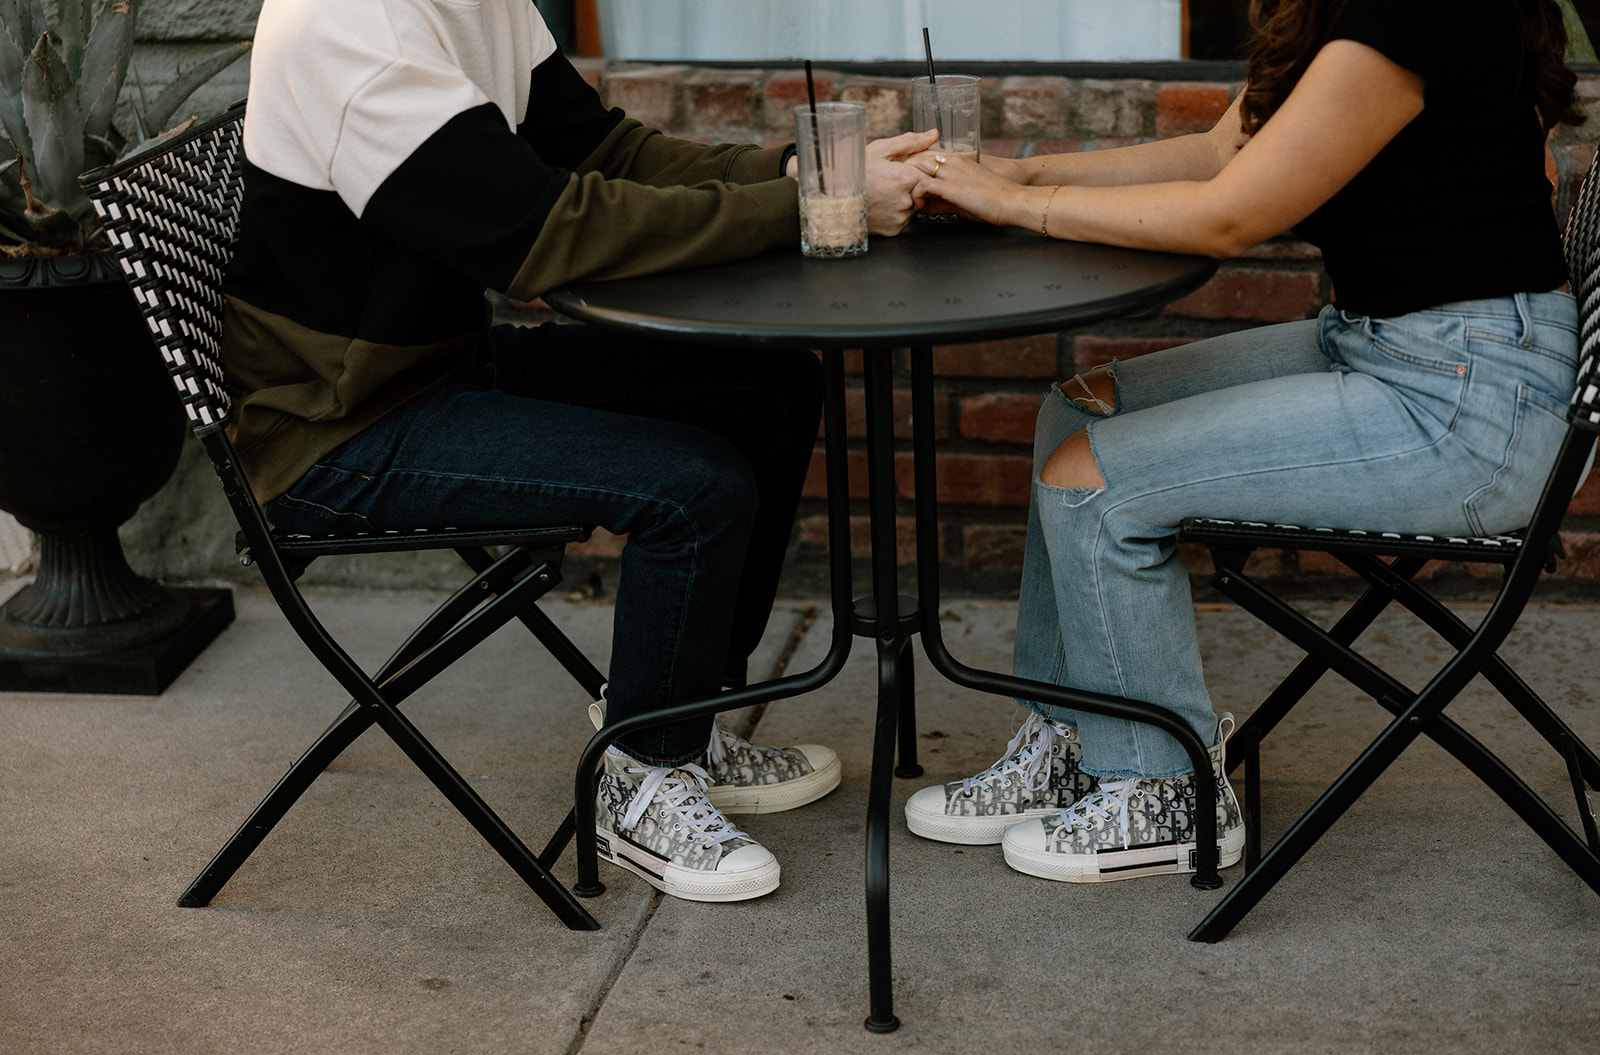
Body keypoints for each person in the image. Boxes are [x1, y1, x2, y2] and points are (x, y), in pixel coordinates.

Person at [221, 0, 935, 903]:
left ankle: (684, 718)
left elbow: (600, 151)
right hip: (338, 427)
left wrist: (794, 169)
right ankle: (640, 780)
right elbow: (544, 234)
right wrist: (804, 204)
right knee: (694, 487)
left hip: (433, 366)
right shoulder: (347, 29)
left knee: (770, 385)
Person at [901, 0, 1584, 883]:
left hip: (1467, 404)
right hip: (1395, 346)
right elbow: (1222, 151)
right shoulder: (1347, 11)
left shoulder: (1413, 14)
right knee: (1076, 413)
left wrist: (1018, 207)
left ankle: (1165, 792)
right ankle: (1077, 732)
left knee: (1092, 482)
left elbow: (1230, 213)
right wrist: (1014, 177)